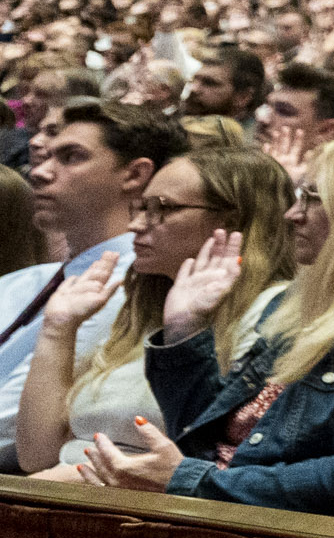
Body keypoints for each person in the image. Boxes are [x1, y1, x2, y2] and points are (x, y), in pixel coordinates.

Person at [84, 123, 334, 512]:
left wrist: (190, 481)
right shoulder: (304, 302)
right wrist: (184, 330)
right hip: (222, 515)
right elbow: (203, 441)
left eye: (312, 197)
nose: (292, 214)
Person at [14, 143, 296, 474]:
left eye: (161, 208)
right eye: (140, 208)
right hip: (65, 498)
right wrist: (57, 330)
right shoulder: (145, 305)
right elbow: (36, 455)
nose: (136, 225)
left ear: (233, 220)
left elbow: (213, 466)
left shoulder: (276, 313)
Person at [0, 101, 188, 438]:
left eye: (72, 157)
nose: (39, 172)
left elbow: (10, 424)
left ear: (134, 174)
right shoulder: (26, 281)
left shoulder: (138, 286)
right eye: (49, 156)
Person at [179, 44, 267, 125]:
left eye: (209, 83)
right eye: (193, 80)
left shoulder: (256, 139)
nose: (194, 88)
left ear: (243, 97)